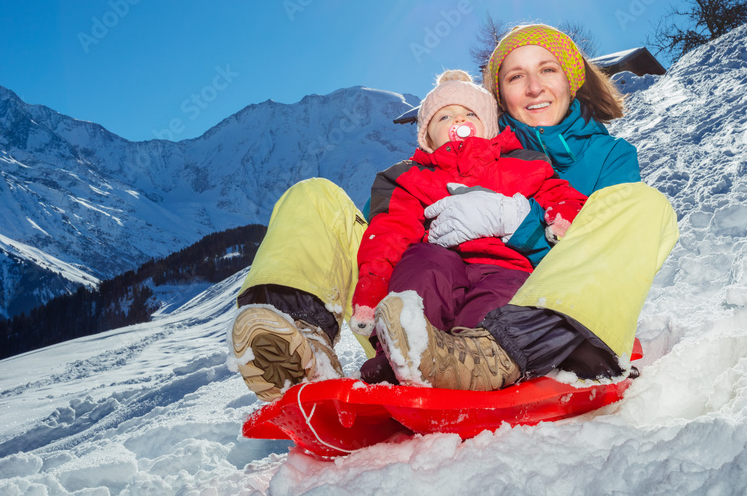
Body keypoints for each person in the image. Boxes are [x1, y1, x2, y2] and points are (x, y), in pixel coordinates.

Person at [228, 23, 678, 401]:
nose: (535, 87)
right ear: (498, 94)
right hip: (413, 320)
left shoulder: (609, 157)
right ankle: (296, 345)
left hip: (531, 323)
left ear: (572, 78)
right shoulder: (444, 157)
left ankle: (485, 354)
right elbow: (381, 236)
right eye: (516, 77)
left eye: (547, 70)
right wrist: (416, 198)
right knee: (314, 197)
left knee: (644, 206)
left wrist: (515, 222)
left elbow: (605, 256)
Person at [350, 69, 587, 384]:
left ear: (488, 126)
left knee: (500, 301)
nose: (457, 122)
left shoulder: (522, 164)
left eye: (469, 113)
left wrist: (563, 214)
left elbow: (560, 194)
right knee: (421, 269)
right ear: (427, 135)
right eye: (444, 117)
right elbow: (389, 232)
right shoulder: (410, 177)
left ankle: (470, 362)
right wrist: (371, 287)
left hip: (503, 264)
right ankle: (401, 351)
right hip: (438, 258)